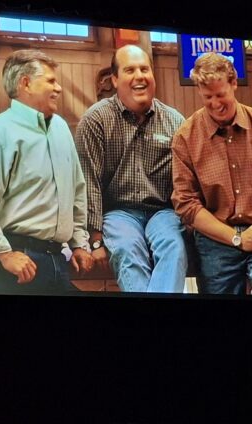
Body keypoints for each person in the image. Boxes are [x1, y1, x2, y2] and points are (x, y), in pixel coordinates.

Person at [0, 49, 93, 294]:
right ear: (26, 83)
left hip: (56, 259)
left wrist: (79, 244)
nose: (59, 88)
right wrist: (4, 253)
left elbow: (76, 190)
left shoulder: (61, 128)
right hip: (12, 263)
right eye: (51, 81)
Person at [171, 52, 252, 295]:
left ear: (234, 84)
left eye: (221, 95)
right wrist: (238, 239)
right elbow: (187, 205)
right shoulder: (186, 137)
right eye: (208, 97)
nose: (216, 103)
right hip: (215, 237)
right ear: (198, 91)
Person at [75, 45, 188, 293]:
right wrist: (95, 240)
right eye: (129, 70)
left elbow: (185, 182)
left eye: (144, 69)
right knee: (127, 249)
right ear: (115, 79)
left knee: (174, 247)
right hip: (118, 212)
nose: (139, 76)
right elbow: (88, 182)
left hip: (163, 211)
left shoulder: (176, 122)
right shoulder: (96, 120)